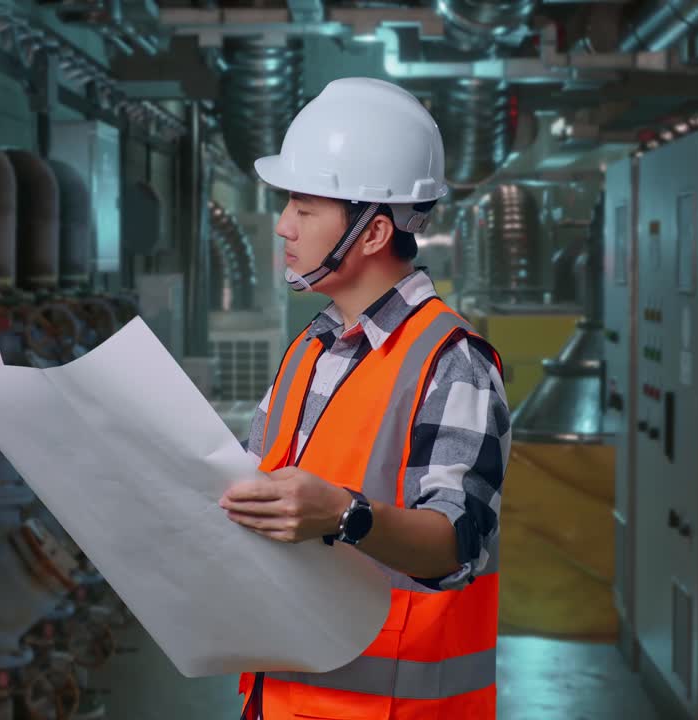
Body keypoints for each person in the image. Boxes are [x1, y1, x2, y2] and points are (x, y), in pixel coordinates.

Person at [218, 76, 512, 720]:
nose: (283, 226)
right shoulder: (311, 349)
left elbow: (457, 542)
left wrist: (345, 514)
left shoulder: (452, 363)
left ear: (373, 233)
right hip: (280, 701)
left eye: (304, 206)